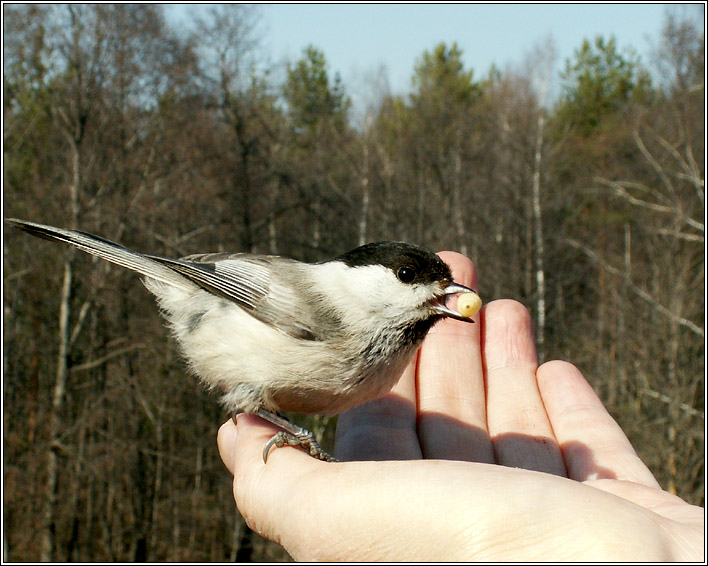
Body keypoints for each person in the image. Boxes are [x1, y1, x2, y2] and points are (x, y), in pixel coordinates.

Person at [217, 252, 704, 561]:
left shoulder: (392, 353)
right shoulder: (330, 305)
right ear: (361, 279)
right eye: (408, 277)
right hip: (217, 305)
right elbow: (232, 283)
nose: (431, 293)